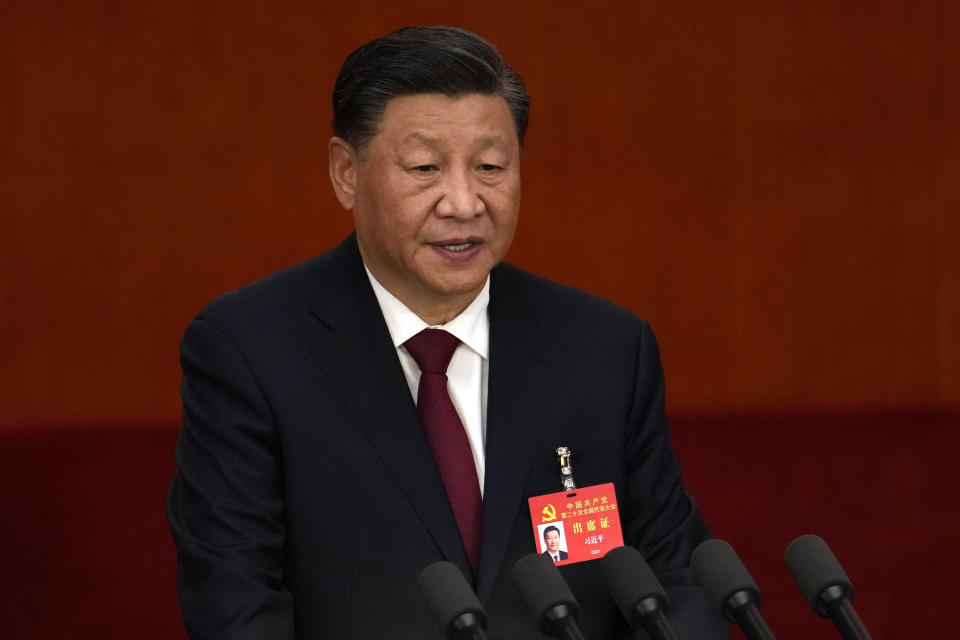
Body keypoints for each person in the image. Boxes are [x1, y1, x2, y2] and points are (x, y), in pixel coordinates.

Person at [167, 25, 728, 639]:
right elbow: (236, 608)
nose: (463, 202)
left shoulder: (604, 349)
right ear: (345, 172)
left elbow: (677, 580)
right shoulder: (252, 351)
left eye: (490, 166)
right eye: (425, 167)